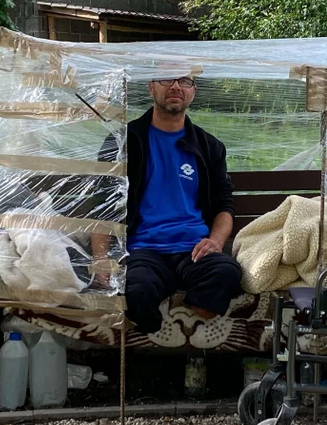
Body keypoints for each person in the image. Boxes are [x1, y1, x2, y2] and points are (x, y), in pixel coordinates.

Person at [92, 75, 242, 334]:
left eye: (184, 81)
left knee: (227, 273)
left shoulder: (209, 147)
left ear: (193, 91)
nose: (175, 87)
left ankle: (186, 321)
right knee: (137, 290)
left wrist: (216, 243)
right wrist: (101, 258)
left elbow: (223, 206)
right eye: (166, 80)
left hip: (193, 250)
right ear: (151, 87)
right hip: (143, 250)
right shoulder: (124, 142)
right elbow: (104, 205)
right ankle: (153, 345)